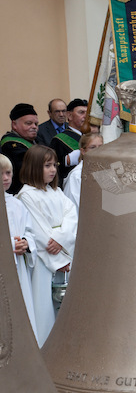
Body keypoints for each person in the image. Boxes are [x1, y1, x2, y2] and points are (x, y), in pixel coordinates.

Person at [17, 145, 78, 346]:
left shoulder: (57, 192)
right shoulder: (27, 195)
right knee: (43, 307)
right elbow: (38, 231)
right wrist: (59, 260)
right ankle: (44, 346)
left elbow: (72, 217)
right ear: (34, 167)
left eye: (54, 165)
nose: (53, 170)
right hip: (44, 261)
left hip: (63, 253)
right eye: (47, 165)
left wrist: (61, 239)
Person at [1, 154, 38, 342]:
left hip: (18, 270)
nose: (6, 178)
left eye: (8, 173)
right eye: (1, 174)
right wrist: (8, 244)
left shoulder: (17, 204)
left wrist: (26, 243)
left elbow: (29, 231)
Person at [2, 103, 40, 194]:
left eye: (36, 124)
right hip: (20, 193)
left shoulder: (37, 141)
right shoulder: (10, 144)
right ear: (14, 124)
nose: (34, 127)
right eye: (29, 123)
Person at [51, 98, 88, 187]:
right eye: (81, 112)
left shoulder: (91, 137)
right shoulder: (59, 141)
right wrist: (66, 161)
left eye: (88, 113)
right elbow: (56, 169)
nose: (86, 116)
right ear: (69, 115)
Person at [63, 133, 104, 212]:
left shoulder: (106, 171)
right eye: (92, 147)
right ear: (83, 151)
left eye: (101, 147)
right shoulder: (77, 175)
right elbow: (72, 207)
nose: (98, 151)